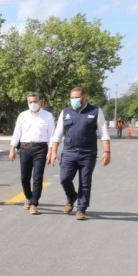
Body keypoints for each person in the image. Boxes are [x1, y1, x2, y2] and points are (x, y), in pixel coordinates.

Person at [48, 86, 111, 221]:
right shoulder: (66, 112)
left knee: (85, 182)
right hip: (69, 152)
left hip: (88, 154)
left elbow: (104, 133)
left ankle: (81, 209)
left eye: (77, 97)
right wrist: (53, 152)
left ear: (84, 97)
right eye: (72, 98)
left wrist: (107, 152)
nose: (74, 100)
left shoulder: (95, 111)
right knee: (64, 179)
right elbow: (57, 134)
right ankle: (71, 197)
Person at [9, 92, 55, 215]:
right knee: (24, 177)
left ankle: (34, 203)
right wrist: (12, 148)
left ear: (40, 102)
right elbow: (17, 133)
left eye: (35, 101)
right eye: (30, 102)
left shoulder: (48, 116)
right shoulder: (22, 115)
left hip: (41, 148)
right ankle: (28, 197)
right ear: (27, 103)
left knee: (37, 177)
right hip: (25, 148)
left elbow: (51, 135)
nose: (33, 104)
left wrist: (51, 151)